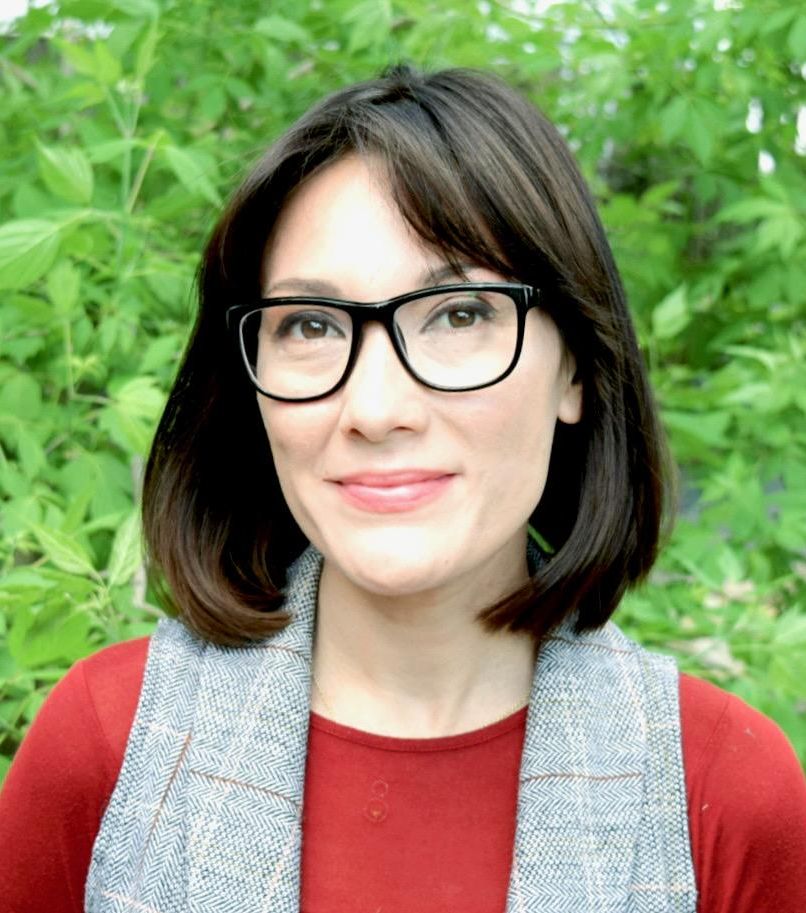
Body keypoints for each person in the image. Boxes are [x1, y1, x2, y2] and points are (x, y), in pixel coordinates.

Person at [1, 65, 805, 913]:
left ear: (575, 364)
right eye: (311, 325)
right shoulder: (107, 748)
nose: (376, 409)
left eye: (458, 314)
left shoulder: (726, 793)